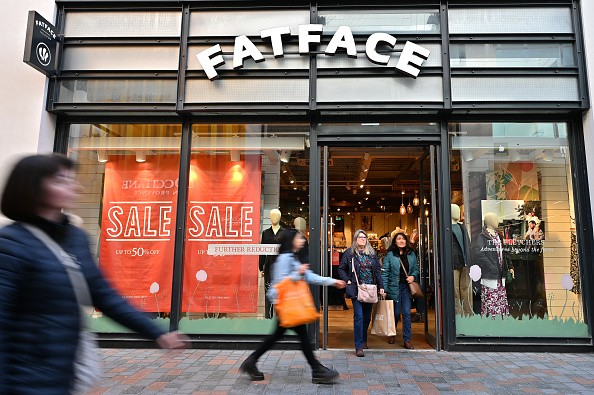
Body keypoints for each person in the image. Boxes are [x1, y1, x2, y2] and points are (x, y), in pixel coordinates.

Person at [0, 154, 188, 395]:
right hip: (24, 375)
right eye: (60, 179)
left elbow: (103, 295)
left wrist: (158, 332)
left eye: (71, 178)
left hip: (63, 371)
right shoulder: (12, 244)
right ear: (32, 188)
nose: (73, 185)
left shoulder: (74, 238)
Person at [240, 228, 345, 384]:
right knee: (301, 336)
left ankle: (251, 362)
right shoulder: (285, 259)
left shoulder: (292, 258)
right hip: (287, 306)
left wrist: (332, 281)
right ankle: (317, 370)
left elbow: (310, 276)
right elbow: (280, 285)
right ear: (292, 240)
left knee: (279, 336)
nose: (302, 240)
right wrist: (298, 273)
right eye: (299, 237)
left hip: (289, 307)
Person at [338, 229, 385, 357]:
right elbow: (341, 269)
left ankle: (364, 340)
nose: (362, 239)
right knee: (358, 317)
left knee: (366, 318)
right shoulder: (350, 253)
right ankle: (359, 346)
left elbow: (377, 272)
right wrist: (347, 280)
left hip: (370, 289)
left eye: (364, 237)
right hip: (356, 289)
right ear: (355, 239)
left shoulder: (372, 253)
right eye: (360, 237)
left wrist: (381, 286)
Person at [382, 232, 419, 349]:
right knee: (396, 313)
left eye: (403, 238)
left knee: (407, 314)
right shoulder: (390, 256)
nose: (401, 241)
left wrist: (413, 276)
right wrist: (384, 289)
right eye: (399, 239)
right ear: (395, 242)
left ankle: (407, 340)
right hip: (394, 287)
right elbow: (385, 273)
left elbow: (416, 270)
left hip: (406, 288)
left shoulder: (411, 254)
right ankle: (392, 332)